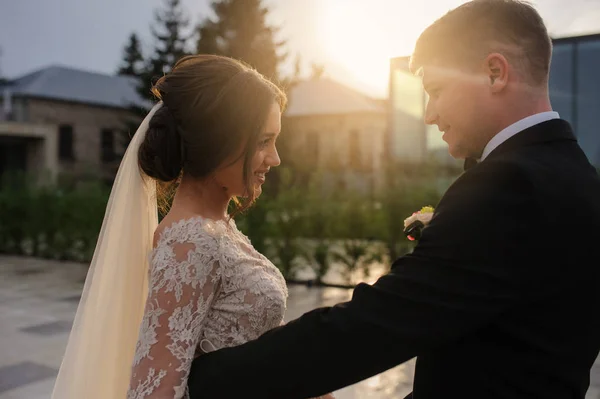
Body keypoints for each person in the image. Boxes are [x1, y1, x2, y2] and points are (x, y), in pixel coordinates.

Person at [186, 1, 600, 398]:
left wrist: (207, 380)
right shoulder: (581, 178)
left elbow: (378, 324)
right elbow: (506, 355)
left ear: (494, 73)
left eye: (435, 90)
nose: (429, 114)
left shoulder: (509, 186)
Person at [51, 54, 333, 399]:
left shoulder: (217, 229)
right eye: (263, 141)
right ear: (219, 140)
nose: (275, 158)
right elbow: (153, 388)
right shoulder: (189, 242)